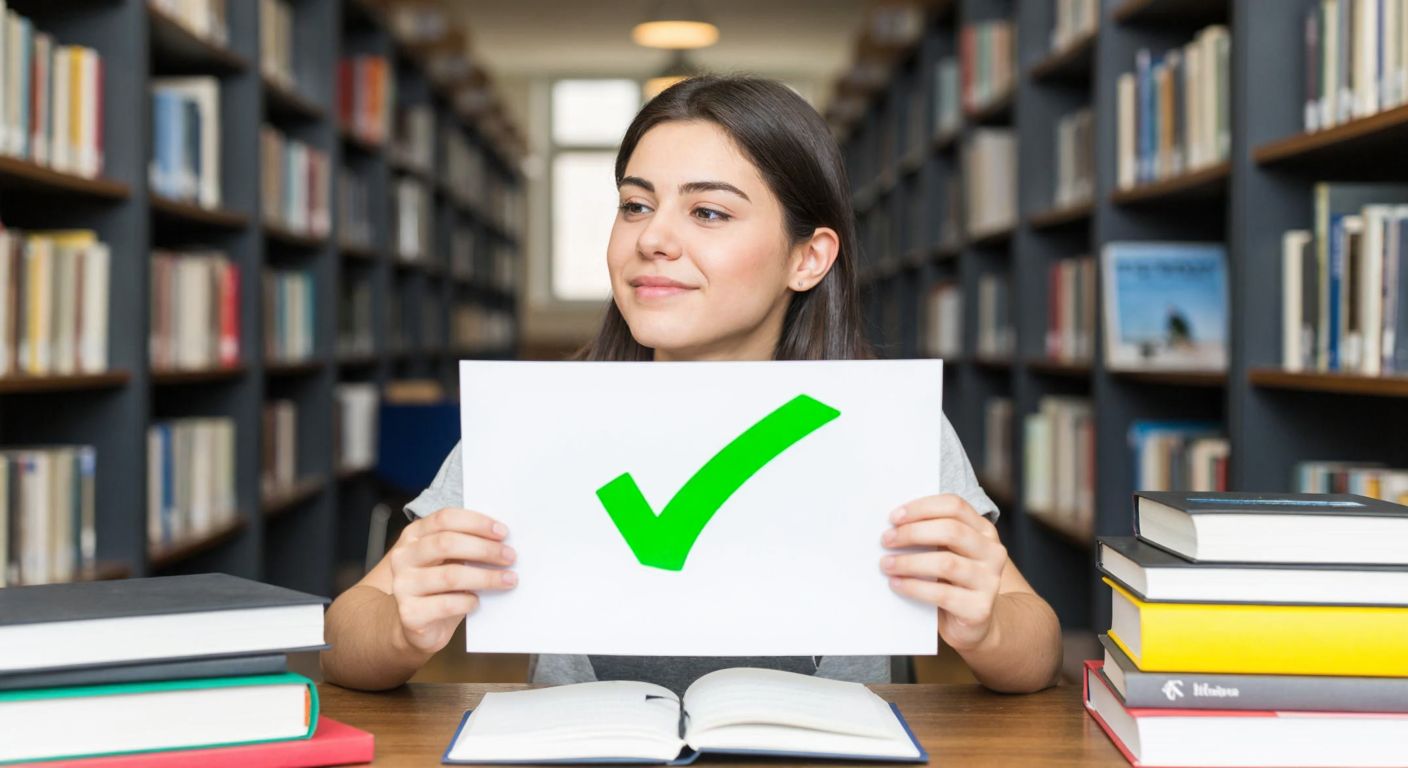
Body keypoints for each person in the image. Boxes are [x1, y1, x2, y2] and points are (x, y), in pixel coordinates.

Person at [322, 75, 1062, 695]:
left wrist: (987, 625)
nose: (652, 237)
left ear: (808, 258)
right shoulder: (544, 418)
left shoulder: (884, 427)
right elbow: (346, 641)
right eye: (635, 205)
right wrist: (398, 627)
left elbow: (1035, 650)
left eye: (708, 211)